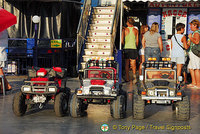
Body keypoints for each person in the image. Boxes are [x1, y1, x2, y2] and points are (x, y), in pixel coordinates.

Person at [121, 18, 138, 82]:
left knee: (127, 64)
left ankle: (127, 78)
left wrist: (124, 45)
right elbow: (137, 41)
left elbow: (122, 40)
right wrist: (135, 46)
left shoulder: (125, 30)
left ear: (128, 22)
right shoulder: (136, 30)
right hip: (133, 48)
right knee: (133, 64)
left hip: (126, 48)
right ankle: (134, 77)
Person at [187, 19, 200, 88]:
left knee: (196, 68)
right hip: (192, 52)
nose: (190, 27)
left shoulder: (196, 33)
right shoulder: (194, 33)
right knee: (191, 67)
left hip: (195, 52)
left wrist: (190, 38)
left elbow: (197, 42)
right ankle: (194, 82)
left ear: (195, 25)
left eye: (191, 25)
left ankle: (198, 84)